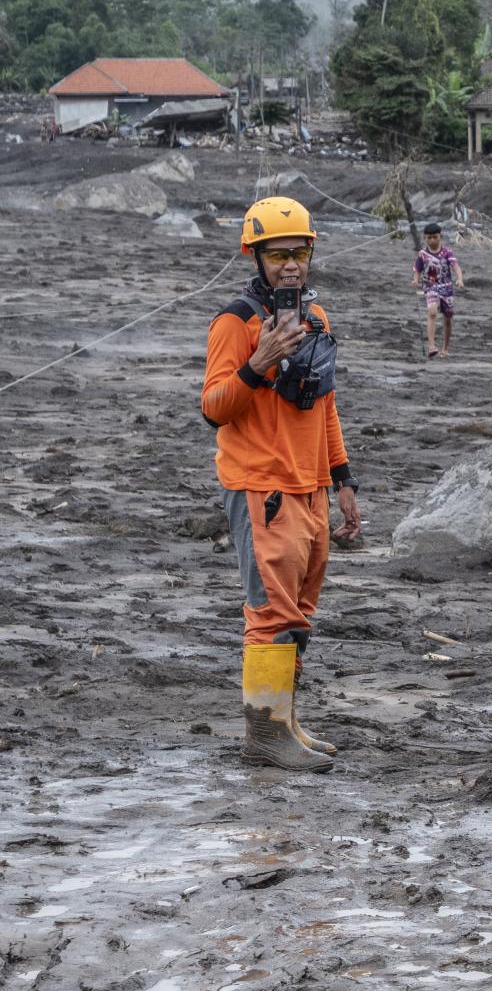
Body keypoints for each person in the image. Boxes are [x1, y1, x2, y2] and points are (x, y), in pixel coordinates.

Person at [202, 196, 361, 772]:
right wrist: (259, 360)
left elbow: (326, 407)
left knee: (299, 611)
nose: (291, 264)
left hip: (311, 486)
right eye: (278, 254)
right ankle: (264, 736)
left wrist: (342, 478)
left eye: (299, 252)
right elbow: (214, 407)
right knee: (270, 613)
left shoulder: (317, 321)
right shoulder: (234, 322)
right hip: (260, 486)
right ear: (256, 255)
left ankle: (284, 720)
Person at [412, 222, 465, 358]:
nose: (432, 240)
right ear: (425, 238)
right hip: (430, 286)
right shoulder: (422, 254)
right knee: (432, 312)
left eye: (435, 237)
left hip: (446, 288)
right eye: (429, 238)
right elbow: (417, 269)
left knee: (448, 319)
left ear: (440, 236)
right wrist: (415, 280)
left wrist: (459, 279)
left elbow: (456, 266)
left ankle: (445, 348)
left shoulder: (447, 252)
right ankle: (431, 346)